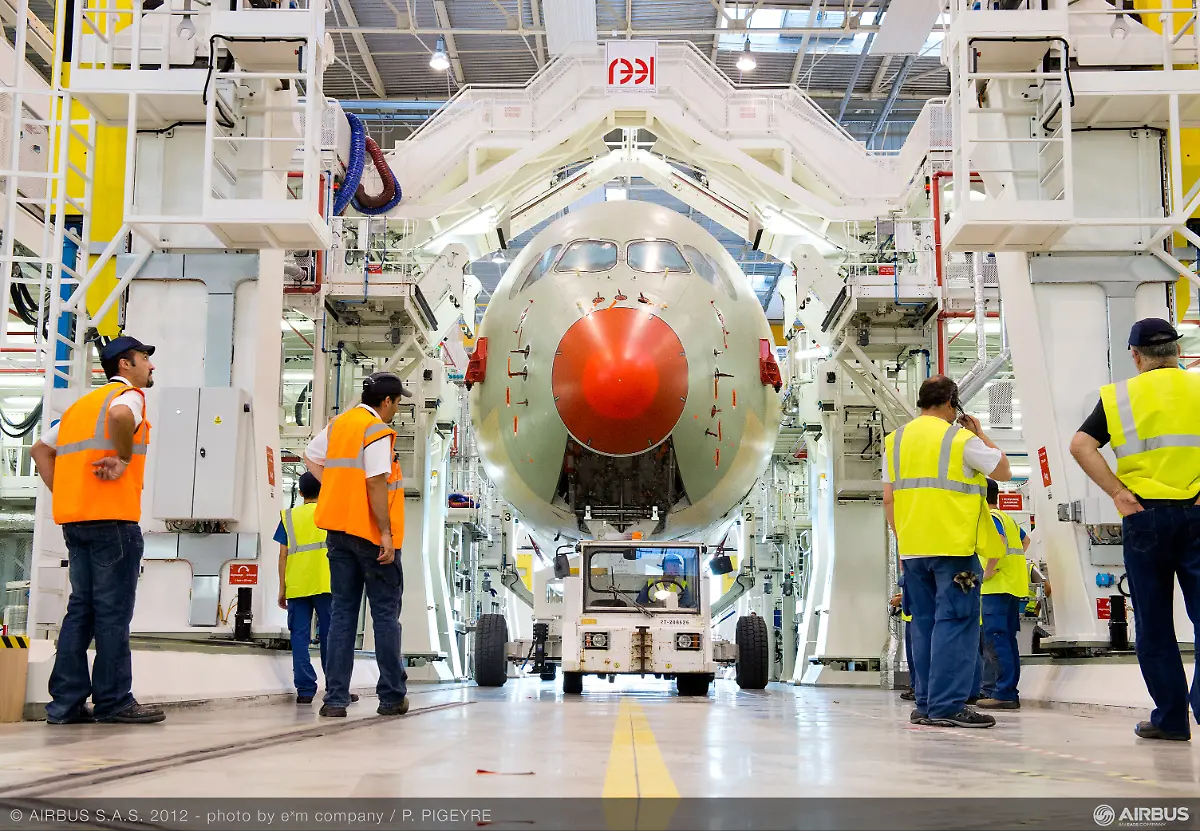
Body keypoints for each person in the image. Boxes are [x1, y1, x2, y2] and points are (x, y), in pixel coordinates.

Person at [1069, 317, 1200, 742]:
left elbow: (1080, 445)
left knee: (1154, 621)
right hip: (1197, 512)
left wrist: (1118, 493)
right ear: (1177, 351)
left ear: (1136, 356)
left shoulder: (1119, 397)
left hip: (1145, 517)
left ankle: (1171, 720)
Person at [29, 336, 165, 725]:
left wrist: (67, 494)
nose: (150, 367)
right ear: (126, 365)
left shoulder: (79, 408)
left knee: (80, 611)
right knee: (112, 613)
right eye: (145, 359)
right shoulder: (130, 397)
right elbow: (123, 417)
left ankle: (65, 704)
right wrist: (123, 459)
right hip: (114, 521)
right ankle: (114, 701)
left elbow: (40, 451)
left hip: (76, 521)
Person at [883, 375, 1011, 729]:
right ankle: (947, 705)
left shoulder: (894, 442)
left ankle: (925, 703)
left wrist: (906, 537)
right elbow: (1003, 471)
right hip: (954, 549)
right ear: (953, 404)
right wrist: (980, 433)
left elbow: (889, 498)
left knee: (922, 625)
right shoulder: (960, 438)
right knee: (956, 622)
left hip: (913, 551)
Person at [305, 372, 411, 718]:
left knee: (342, 616)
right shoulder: (376, 430)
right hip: (369, 536)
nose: (396, 408)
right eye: (397, 402)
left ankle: (334, 699)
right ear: (386, 402)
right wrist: (385, 534)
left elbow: (311, 456)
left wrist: (339, 488)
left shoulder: (340, 424)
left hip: (337, 534)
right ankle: (392, 696)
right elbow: (376, 482)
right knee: (384, 615)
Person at [275, 471, 359, 706]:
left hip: (297, 584)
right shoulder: (332, 514)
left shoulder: (288, 516)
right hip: (328, 582)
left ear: (300, 493)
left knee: (299, 637)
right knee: (331, 637)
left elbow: (282, 555)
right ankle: (335, 688)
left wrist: (282, 587)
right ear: (324, 491)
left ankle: (304, 690)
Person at [975, 479, 1030, 710]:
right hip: (1012, 586)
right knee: (1007, 641)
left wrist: (988, 570)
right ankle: (1007, 691)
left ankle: (1004, 692)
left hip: (996, 587)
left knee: (996, 642)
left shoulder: (990, 518)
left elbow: (999, 541)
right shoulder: (1007, 518)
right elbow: (1025, 541)